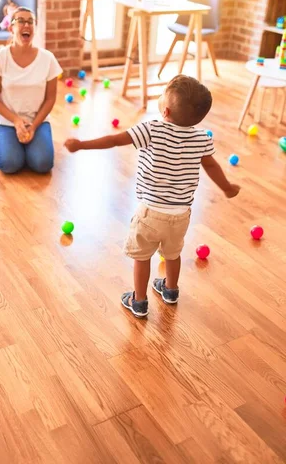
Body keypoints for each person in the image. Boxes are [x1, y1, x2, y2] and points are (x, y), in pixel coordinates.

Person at [65, 75, 240, 318]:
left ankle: (138, 301)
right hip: (180, 214)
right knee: (172, 254)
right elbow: (211, 166)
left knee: (142, 256)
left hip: (149, 213)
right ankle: (170, 290)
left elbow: (115, 140)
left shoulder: (151, 129)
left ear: (165, 110)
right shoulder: (201, 138)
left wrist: (82, 144)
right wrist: (227, 187)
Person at [0, 6, 62, 174]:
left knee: (43, 165)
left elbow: (50, 99)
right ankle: (7, 144)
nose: (26, 25)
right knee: (10, 165)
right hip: (6, 122)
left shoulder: (47, 59)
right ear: (11, 27)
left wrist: (33, 127)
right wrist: (16, 121)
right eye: (20, 21)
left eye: (30, 22)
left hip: (37, 121)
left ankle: (27, 149)